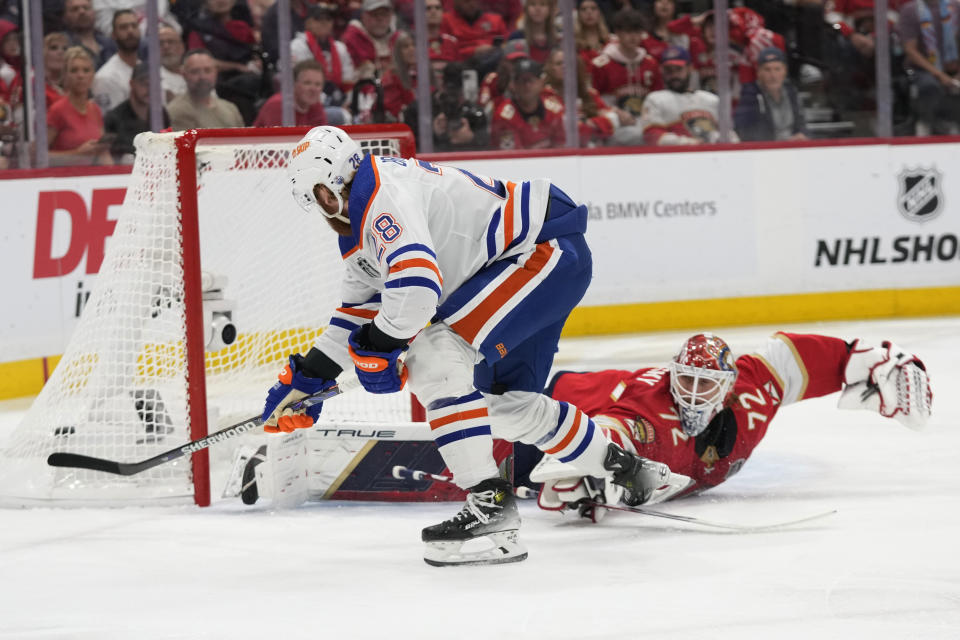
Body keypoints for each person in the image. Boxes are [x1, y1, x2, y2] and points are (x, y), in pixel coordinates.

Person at [260, 125, 673, 566]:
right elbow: (359, 311)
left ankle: (490, 505)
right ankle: (629, 469)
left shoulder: (383, 198)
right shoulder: (365, 215)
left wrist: (379, 346)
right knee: (508, 407)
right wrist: (308, 378)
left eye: (320, 196)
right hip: (542, 258)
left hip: (540, 253)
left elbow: (417, 292)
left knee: (435, 354)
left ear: (331, 186)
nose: (322, 209)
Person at [535, 332, 933, 520]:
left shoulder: (753, 393)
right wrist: (589, 464)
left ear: (728, 387)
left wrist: (876, 361)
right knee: (477, 472)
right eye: (685, 380)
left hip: (568, 408)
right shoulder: (653, 410)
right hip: (548, 410)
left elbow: (796, 360)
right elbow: (615, 428)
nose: (691, 393)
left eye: (705, 383)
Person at [639, 46, 730, 146]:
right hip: (677, 157)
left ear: (690, 68)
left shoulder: (711, 100)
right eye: (669, 70)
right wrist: (688, 143)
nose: (674, 75)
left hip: (715, 155)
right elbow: (652, 136)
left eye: (678, 69)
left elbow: (728, 133)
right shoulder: (655, 99)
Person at [898, 0, 960, 135]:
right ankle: (927, 124)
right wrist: (939, 74)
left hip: (953, 67)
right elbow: (910, 50)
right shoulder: (910, 10)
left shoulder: (955, 7)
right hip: (922, 70)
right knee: (929, 86)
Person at [589, 8, 662, 121]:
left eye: (637, 32)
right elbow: (592, 99)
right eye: (628, 32)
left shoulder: (651, 63)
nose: (633, 37)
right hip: (613, 121)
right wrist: (614, 112)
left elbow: (658, 97)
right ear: (617, 33)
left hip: (645, 118)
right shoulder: (601, 65)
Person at [47, 46, 113, 166]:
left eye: (86, 70)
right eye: (74, 70)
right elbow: (40, 157)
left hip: (93, 177)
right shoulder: (57, 110)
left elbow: (103, 152)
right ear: (65, 75)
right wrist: (77, 153)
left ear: (93, 75)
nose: (80, 75)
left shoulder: (95, 109)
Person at [735, 47, 809, 142]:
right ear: (759, 72)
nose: (773, 75)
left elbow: (802, 122)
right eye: (767, 69)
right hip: (766, 151)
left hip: (793, 149)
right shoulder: (749, 95)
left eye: (777, 69)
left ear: (784, 71)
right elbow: (743, 130)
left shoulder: (792, 93)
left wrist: (802, 134)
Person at [491, 57, 565, 149]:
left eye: (531, 80)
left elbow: (562, 147)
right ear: (514, 84)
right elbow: (512, 158)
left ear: (541, 82)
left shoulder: (555, 109)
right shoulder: (503, 117)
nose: (527, 85)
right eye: (522, 81)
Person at [104, 62, 171, 163]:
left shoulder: (161, 113)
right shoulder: (114, 118)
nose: (150, 90)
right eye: (145, 84)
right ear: (132, 84)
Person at [290, 3, 356, 106]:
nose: (324, 23)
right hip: (309, 101)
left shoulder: (340, 48)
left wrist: (347, 103)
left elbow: (348, 80)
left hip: (339, 101)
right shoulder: (297, 46)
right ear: (308, 23)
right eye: (319, 19)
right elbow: (301, 83)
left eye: (328, 19)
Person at [167, 49, 244, 130]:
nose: (202, 77)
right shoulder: (177, 111)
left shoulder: (231, 108)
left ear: (216, 72)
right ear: (184, 75)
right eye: (195, 71)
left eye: (207, 70)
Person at [252, 60, 328, 127]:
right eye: (307, 83)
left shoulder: (316, 105)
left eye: (318, 84)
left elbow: (323, 138)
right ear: (294, 83)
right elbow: (279, 141)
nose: (313, 89)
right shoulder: (278, 105)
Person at [92, 9, 141, 114]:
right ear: (113, 34)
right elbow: (111, 123)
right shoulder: (106, 77)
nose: (130, 31)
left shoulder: (145, 68)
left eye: (134, 26)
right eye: (124, 27)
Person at [341, 0, 399, 81]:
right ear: (363, 15)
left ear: (391, 16)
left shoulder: (398, 39)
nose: (380, 18)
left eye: (384, 14)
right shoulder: (352, 39)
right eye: (374, 14)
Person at [62, 0, 116, 69]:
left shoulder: (109, 43)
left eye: (86, 8)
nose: (82, 12)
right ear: (65, 16)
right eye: (75, 9)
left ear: (94, 12)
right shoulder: (62, 43)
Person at [158, 23, 187, 103]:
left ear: (182, 47)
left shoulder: (196, 72)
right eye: (160, 43)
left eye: (171, 42)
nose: (166, 47)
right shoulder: (153, 80)